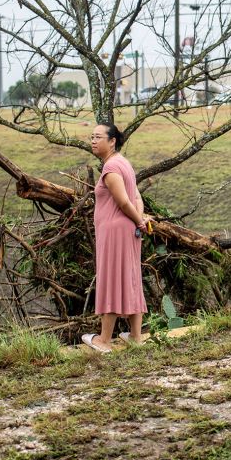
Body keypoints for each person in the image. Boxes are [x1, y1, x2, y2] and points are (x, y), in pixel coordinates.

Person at [82, 122, 150, 352]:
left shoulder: (111, 168)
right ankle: (135, 336)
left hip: (115, 232)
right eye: (92, 137)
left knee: (111, 279)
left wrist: (139, 221)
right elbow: (137, 199)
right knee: (130, 278)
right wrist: (139, 221)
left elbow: (123, 202)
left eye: (98, 137)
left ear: (112, 141)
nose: (93, 140)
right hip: (129, 230)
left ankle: (104, 341)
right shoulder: (124, 164)